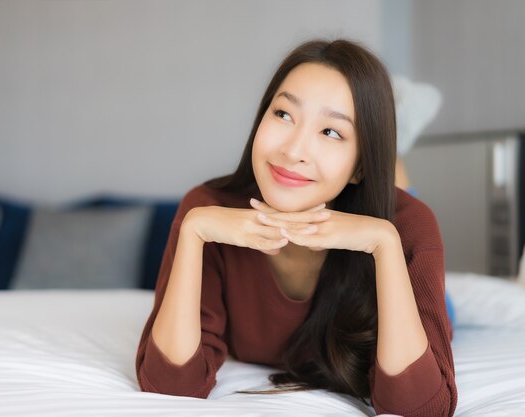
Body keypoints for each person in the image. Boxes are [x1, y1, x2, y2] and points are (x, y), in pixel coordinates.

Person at [136, 38, 457, 417]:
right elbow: (170, 385)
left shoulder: (408, 227)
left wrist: (384, 242)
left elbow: (420, 408)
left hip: (388, 222)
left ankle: (394, 160)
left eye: (331, 132)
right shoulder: (207, 210)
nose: (292, 150)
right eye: (284, 114)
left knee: (446, 305)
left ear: (359, 167)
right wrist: (192, 231)